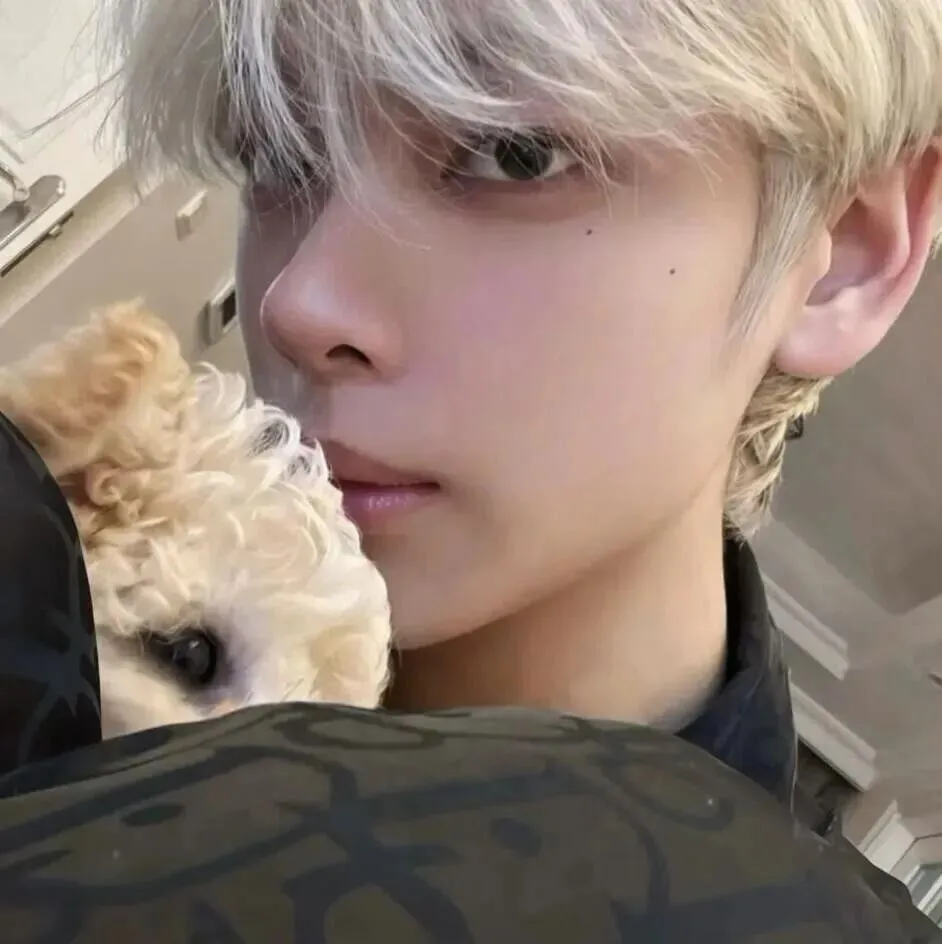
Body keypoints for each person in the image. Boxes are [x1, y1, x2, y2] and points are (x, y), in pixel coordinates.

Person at [98, 0, 942, 933]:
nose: (301, 301)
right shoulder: (75, 643)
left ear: (847, 255)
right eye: (278, 150)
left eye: (516, 154)